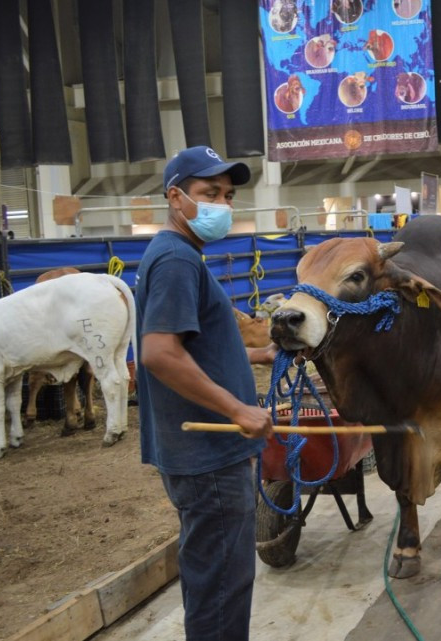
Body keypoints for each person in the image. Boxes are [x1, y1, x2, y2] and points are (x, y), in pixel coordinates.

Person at [135, 146, 276, 641]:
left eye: (228, 195)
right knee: (222, 588)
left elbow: (193, 344)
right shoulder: (177, 259)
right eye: (209, 193)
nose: (223, 204)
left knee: (212, 579)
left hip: (200, 452)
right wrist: (239, 409)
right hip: (210, 455)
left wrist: (256, 356)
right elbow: (159, 353)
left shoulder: (176, 254)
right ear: (176, 197)